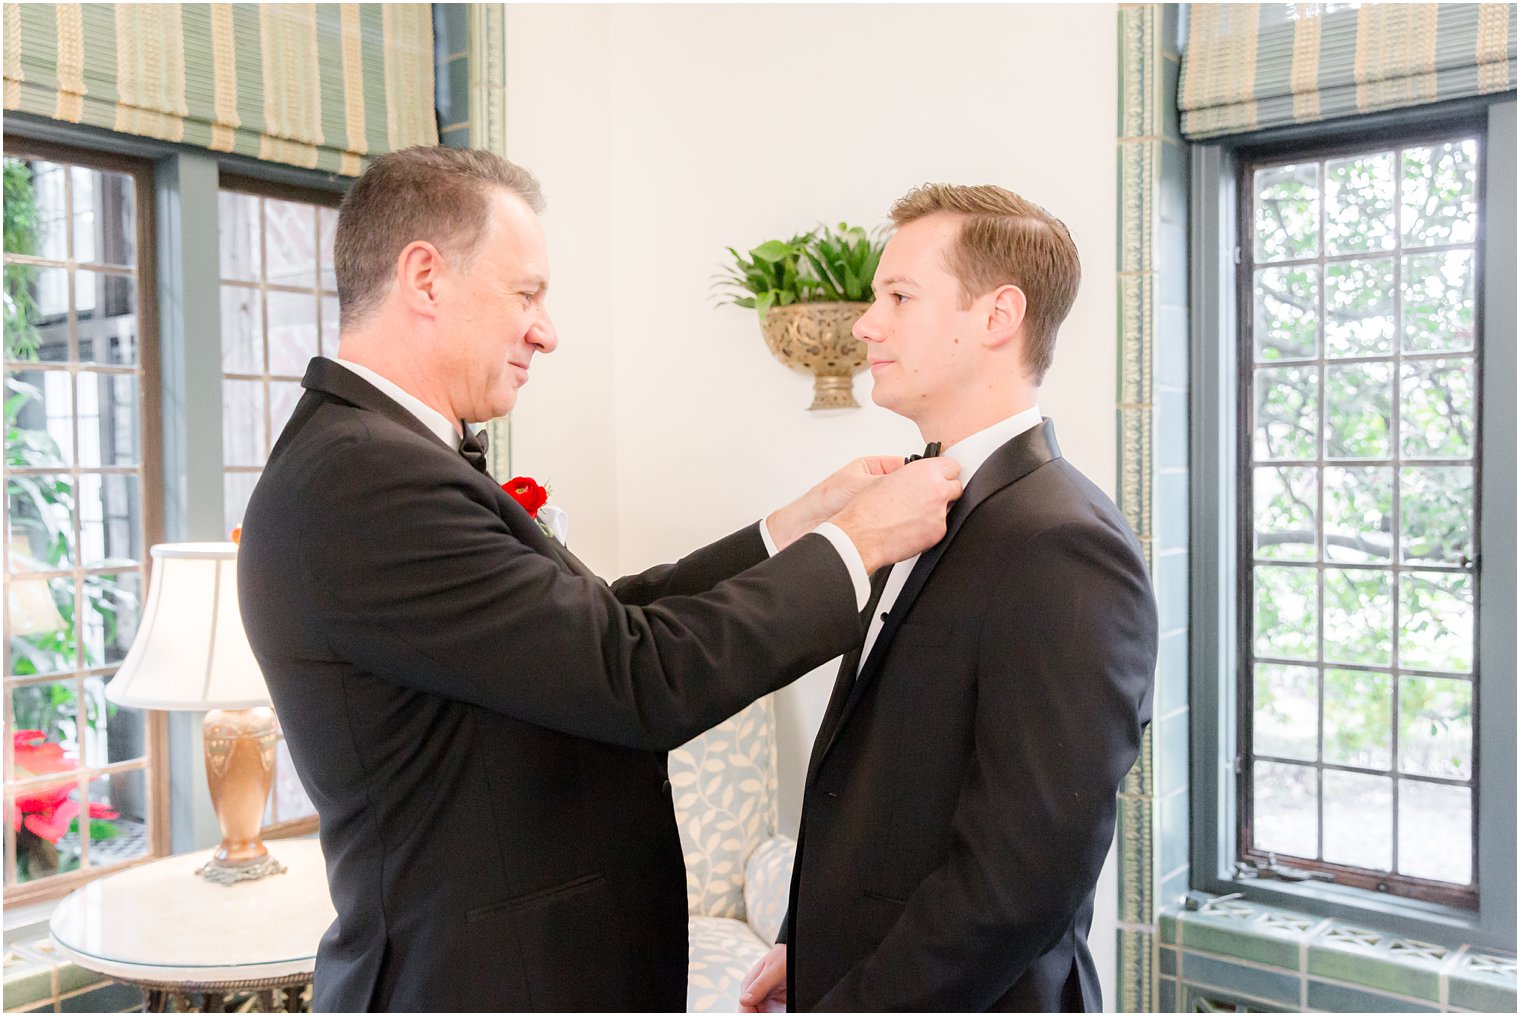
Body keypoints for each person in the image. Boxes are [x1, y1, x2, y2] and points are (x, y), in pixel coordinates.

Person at [236, 147, 961, 1013]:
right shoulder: (363, 483)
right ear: (424, 278)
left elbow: (598, 625)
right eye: (527, 294)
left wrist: (794, 528)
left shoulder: (378, 459)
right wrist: (854, 543)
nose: (546, 330)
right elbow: (637, 677)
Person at [739, 184, 1158, 1013]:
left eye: (898, 297)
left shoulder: (1063, 544)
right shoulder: (920, 501)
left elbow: (1021, 875)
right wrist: (808, 940)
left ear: (999, 316)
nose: (866, 324)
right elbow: (882, 783)